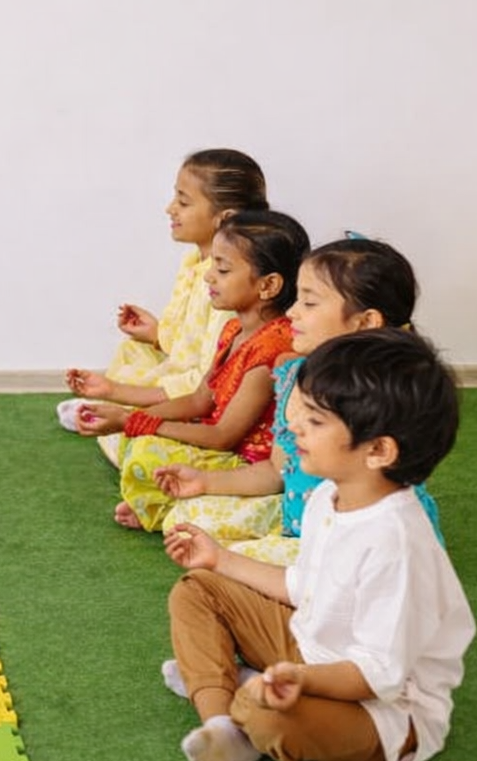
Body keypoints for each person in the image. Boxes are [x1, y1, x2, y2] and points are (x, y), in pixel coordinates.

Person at [162, 329, 473, 761]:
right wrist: (219, 560)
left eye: (316, 420)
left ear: (378, 450)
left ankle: (237, 689)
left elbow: (378, 674)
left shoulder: (397, 542)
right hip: (309, 650)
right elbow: (304, 587)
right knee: (197, 590)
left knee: (270, 717)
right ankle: (222, 723)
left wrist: (300, 679)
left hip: (383, 708)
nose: (294, 427)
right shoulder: (328, 495)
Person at [157, 237, 443, 563]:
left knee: (231, 560)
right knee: (187, 519)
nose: (292, 312)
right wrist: (205, 481)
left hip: (355, 544)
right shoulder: (294, 375)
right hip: (300, 523)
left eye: (309, 303)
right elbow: (276, 470)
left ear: (365, 322)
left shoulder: (383, 398)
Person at [77, 210, 308, 531]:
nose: (208, 276)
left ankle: (164, 506)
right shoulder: (233, 329)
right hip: (216, 440)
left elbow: (223, 436)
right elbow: (200, 399)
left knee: (145, 450)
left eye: (222, 269)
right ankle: (160, 501)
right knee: (137, 437)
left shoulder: (272, 348)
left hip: (247, 464)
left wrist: (133, 421)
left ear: (268, 285)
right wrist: (133, 418)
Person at [59, 150, 269, 467]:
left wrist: (114, 391)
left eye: (183, 202)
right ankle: (118, 417)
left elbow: (205, 385)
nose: (170, 209)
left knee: (145, 451)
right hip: (189, 385)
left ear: (224, 218)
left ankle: (120, 420)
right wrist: (157, 335)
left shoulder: (230, 291)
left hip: (205, 400)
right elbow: (191, 345)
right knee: (132, 352)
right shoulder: (197, 262)